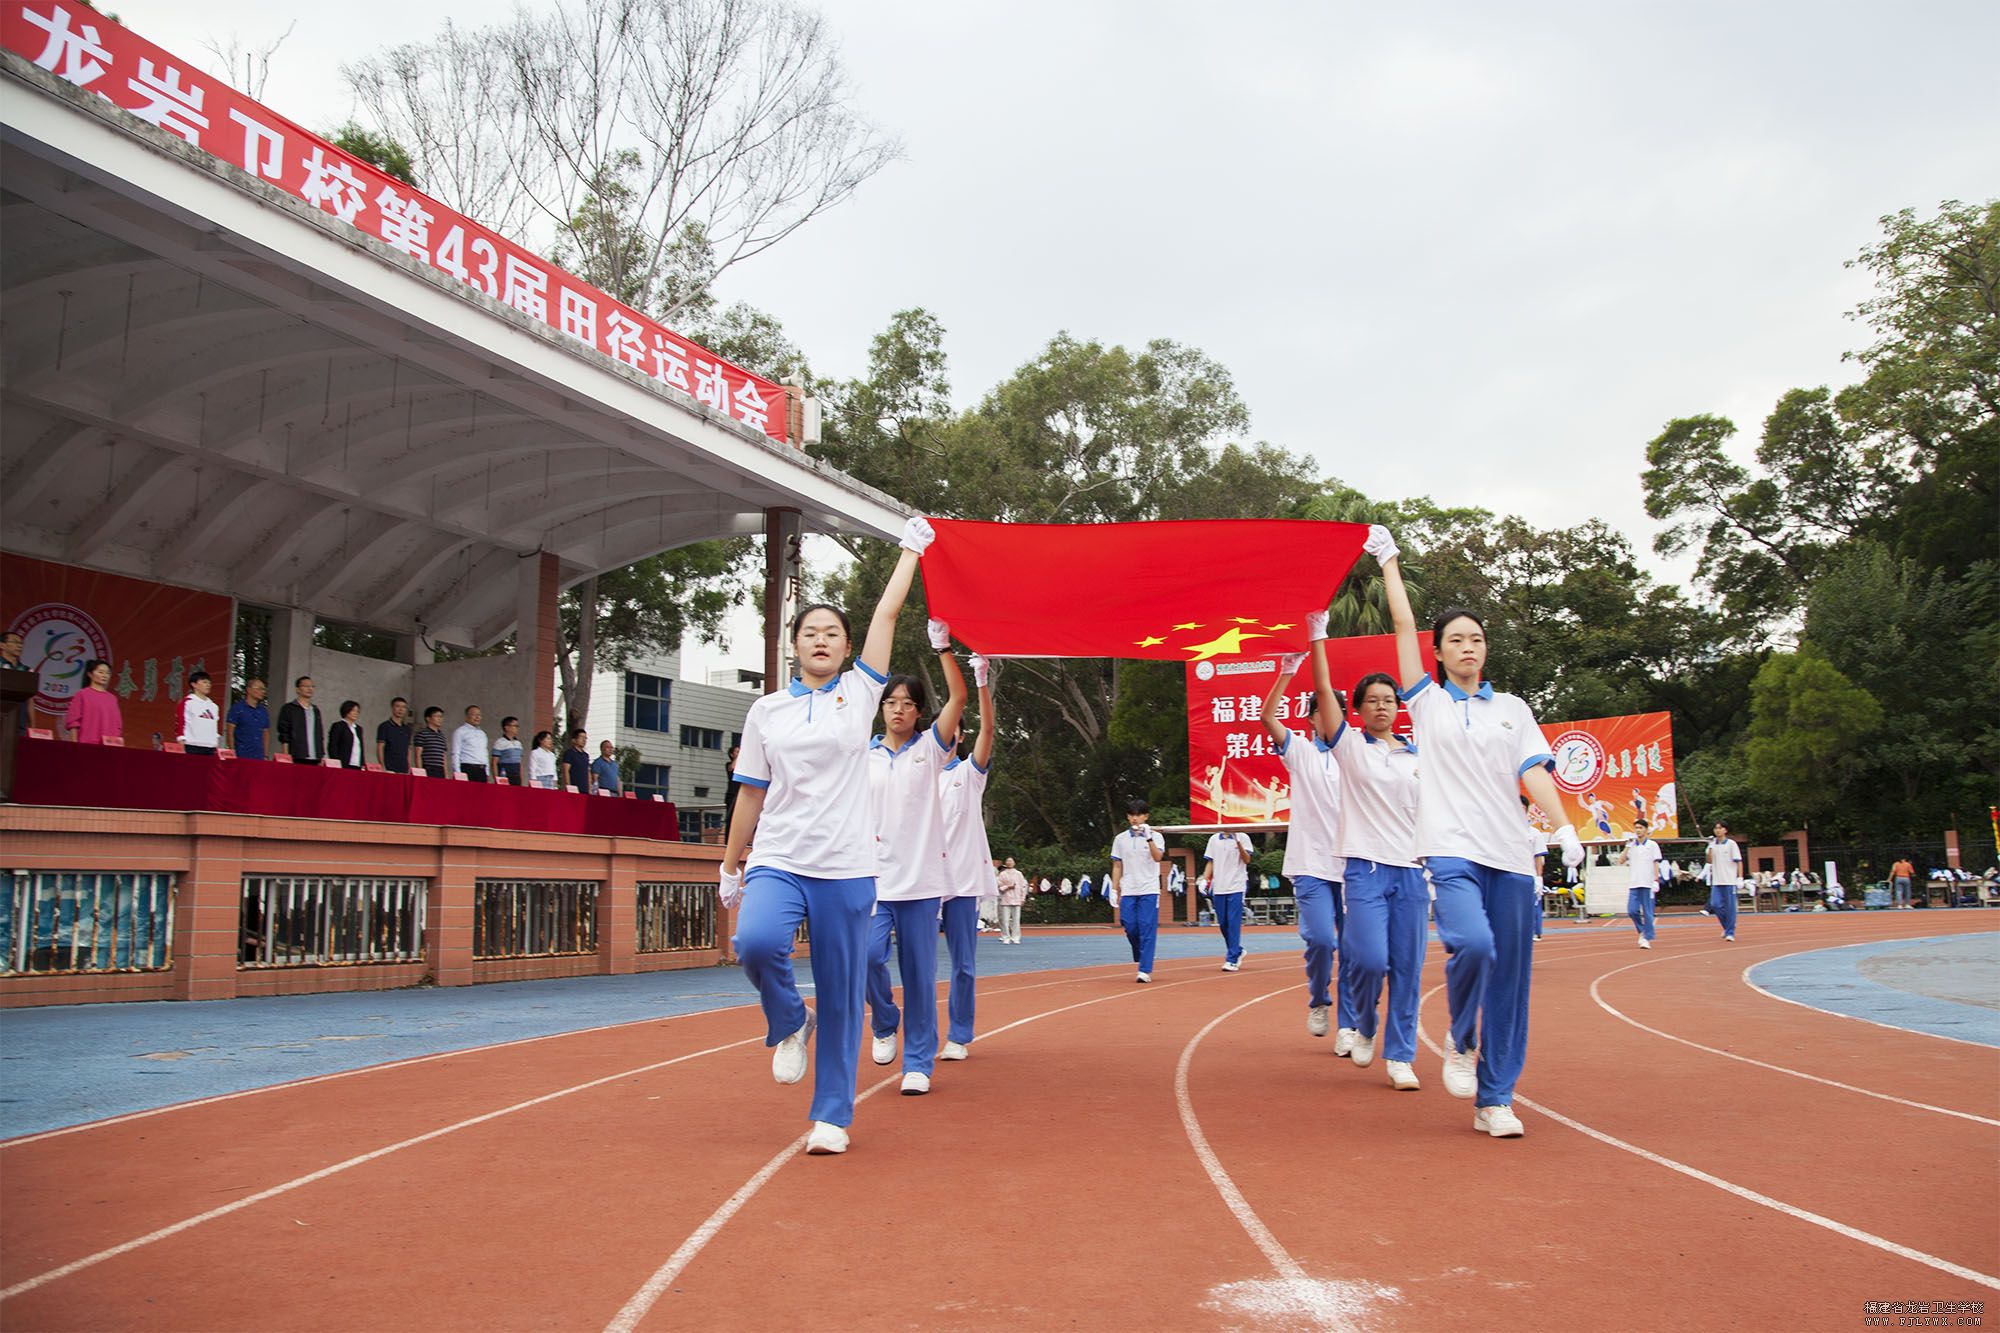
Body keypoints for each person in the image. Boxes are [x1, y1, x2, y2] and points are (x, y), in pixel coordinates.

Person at [724, 514, 931, 1156]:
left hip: (845, 866)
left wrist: (908, 552)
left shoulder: (860, 693)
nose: (821, 640)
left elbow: (888, 619)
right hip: (780, 857)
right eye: (809, 632)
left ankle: (832, 1116)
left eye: (832, 633)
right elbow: (751, 791)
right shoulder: (767, 710)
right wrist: (731, 864)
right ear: (793, 646)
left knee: (844, 994)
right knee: (756, 944)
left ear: (845, 650)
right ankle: (790, 1018)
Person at [1376, 525, 1585, 1139]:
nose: (1468, 647)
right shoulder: (1429, 702)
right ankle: (1461, 1037)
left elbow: (1534, 773)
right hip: (1450, 848)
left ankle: (1496, 1098)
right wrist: (1390, 563)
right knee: (1472, 945)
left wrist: (1565, 826)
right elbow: (1401, 628)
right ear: (1438, 653)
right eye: (1456, 640)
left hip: (1512, 854)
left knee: (1513, 982)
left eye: (1477, 639)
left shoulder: (1513, 709)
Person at [864, 619, 966, 1093]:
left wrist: (942, 648)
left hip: (922, 883)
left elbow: (959, 701)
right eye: (891, 702)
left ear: (919, 710)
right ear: (881, 708)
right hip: (873, 881)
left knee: (920, 976)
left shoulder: (932, 749)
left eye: (907, 703)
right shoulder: (861, 755)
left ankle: (919, 1061)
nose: (898, 709)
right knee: (865, 956)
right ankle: (885, 1020)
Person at [1259, 650, 1350, 1046]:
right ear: (1312, 718)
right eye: (1322, 711)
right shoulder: (1301, 752)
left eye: (1337, 712)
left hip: (1355, 866)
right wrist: (1286, 673)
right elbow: (1267, 718)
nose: (1329, 718)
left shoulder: (1360, 754)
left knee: (1355, 951)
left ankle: (1348, 1024)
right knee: (1320, 940)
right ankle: (1319, 999)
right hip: (1312, 864)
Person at [936, 649, 995, 1062]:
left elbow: (988, 732)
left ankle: (959, 1033)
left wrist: (980, 681)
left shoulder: (967, 775)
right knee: (912, 964)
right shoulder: (915, 771)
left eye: (957, 729)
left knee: (963, 964)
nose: (951, 734)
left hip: (960, 883)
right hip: (919, 882)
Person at [1109, 799, 1166, 982]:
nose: (1135, 819)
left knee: (1147, 927)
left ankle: (1145, 969)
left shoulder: (1156, 836)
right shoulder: (1120, 839)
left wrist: (1148, 838)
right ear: (1128, 817)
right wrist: (1114, 889)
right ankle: (1142, 954)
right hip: (1129, 889)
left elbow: (1158, 858)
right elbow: (1117, 865)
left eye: (1139, 815)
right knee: (1130, 926)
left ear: (1146, 816)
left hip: (1149, 888)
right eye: (1132, 815)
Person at [1198, 827, 1254, 972]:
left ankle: (1232, 959)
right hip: (1219, 887)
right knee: (1223, 923)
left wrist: (1238, 842)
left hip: (1237, 885)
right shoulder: (1214, 839)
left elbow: (1247, 859)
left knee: (1233, 922)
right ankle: (1237, 950)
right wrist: (1205, 879)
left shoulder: (1243, 836)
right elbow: (1211, 862)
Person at [61, 658, 122, 744]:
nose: (105, 675)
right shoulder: (82, 694)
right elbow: (73, 723)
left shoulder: (112, 698)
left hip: (109, 746)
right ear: (90, 674)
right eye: (100, 672)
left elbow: (117, 725)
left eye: (108, 673)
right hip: (86, 744)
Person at [1624, 819, 1663, 949]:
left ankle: (1647, 938)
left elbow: (1655, 863)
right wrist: (1627, 847)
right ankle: (1642, 930)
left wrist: (1656, 880)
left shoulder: (1652, 845)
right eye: (1636, 828)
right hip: (1634, 883)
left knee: (1647, 912)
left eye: (1640, 828)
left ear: (1646, 829)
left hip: (1647, 883)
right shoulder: (1632, 845)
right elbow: (1621, 860)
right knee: (1632, 910)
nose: (1638, 830)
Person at [275, 677, 324, 764]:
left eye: (312, 686)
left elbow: (320, 734)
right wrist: (286, 754)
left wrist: (321, 755)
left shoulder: (316, 710)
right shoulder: (289, 708)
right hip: (297, 755)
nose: (310, 689)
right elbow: (284, 732)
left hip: (315, 757)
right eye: (306, 686)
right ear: (298, 689)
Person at [1522, 797, 1550, 941]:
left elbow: (1538, 857)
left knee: (1532, 904)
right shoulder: (1504, 831)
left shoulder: (1534, 833)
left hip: (1530, 874)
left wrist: (1539, 877)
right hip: (1511, 871)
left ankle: (1534, 931)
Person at [177, 670, 220, 755]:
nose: (208, 685)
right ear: (194, 685)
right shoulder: (187, 702)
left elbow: (214, 726)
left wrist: (216, 744)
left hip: (210, 747)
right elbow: (180, 723)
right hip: (192, 746)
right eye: (204, 682)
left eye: (209, 683)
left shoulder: (214, 706)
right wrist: (181, 740)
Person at [225, 678, 270, 759]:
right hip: (241, 754)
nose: (263, 691)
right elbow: (230, 732)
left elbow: (265, 733)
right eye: (259, 688)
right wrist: (232, 752)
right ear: (249, 690)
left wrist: (265, 755)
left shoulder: (263, 711)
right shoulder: (237, 708)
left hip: (259, 755)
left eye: (264, 689)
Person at [375, 697, 415, 773]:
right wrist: (382, 766)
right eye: (398, 706)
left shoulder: (407, 729)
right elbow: (380, 747)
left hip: (404, 768)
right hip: (389, 767)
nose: (401, 709)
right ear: (392, 708)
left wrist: (409, 767)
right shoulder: (384, 726)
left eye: (403, 707)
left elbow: (408, 749)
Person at [996, 856, 1029, 945]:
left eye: (1011, 861)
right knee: (1005, 920)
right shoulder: (1002, 874)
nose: (1009, 863)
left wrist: (1023, 898)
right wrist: (1007, 887)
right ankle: (1006, 937)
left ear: (1014, 863)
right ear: (1005, 863)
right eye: (1008, 861)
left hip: (1016, 899)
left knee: (1016, 919)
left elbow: (1023, 886)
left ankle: (1016, 937)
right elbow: (998, 886)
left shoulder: (1018, 874)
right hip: (1005, 899)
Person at [453, 705, 490, 782]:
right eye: (474, 714)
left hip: (482, 770)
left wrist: (487, 772)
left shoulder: (482, 733)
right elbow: (456, 753)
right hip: (468, 768)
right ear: (466, 717)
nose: (477, 717)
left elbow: (485, 753)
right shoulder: (460, 731)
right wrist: (457, 772)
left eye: (479, 715)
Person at [327, 700, 366, 768]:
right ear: (346, 710)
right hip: (343, 764)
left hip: (357, 765)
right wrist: (335, 762)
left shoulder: (358, 729)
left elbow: (360, 748)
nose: (356, 713)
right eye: (353, 710)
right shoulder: (338, 726)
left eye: (357, 711)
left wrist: (363, 764)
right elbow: (333, 745)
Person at [415, 708, 449, 779]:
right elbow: (418, 755)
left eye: (441, 717)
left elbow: (443, 756)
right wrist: (420, 773)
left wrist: (446, 774)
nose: (440, 719)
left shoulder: (442, 736)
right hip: (429, 768)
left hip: (440, 770)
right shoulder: (422, 734)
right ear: (428, 718)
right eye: (437, 716)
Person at [493, 716, 524, 786]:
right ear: (506, 727)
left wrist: (521, 778)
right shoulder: (499, 742)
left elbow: (520, 762)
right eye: (515, 726)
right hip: (505, 774)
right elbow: (494, 762)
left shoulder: (518, 743)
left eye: (517, 726)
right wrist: (496, 778)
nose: (517, 728)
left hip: (516, 776)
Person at [560, 728, 593, 792]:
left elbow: (588, 772)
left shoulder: (586, 755)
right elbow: (566, 771)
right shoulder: (569, 753)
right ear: (574, 740)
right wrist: (568, 786)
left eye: (585, 738)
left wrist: (589, 789)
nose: (584, 740)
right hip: (574, 789)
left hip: (585, 790)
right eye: (582, 737)